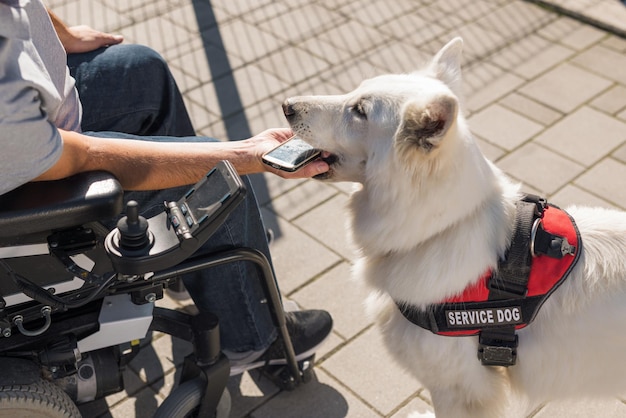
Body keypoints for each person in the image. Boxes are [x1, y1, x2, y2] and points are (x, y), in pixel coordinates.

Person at [0, 0, 332, 375]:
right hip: (33, 176)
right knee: (217, 184)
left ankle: (188, 266)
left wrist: (61, 35)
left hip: (38, 119)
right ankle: (255, 339)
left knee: (142, 70)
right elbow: (79, 156)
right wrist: (245, 154)